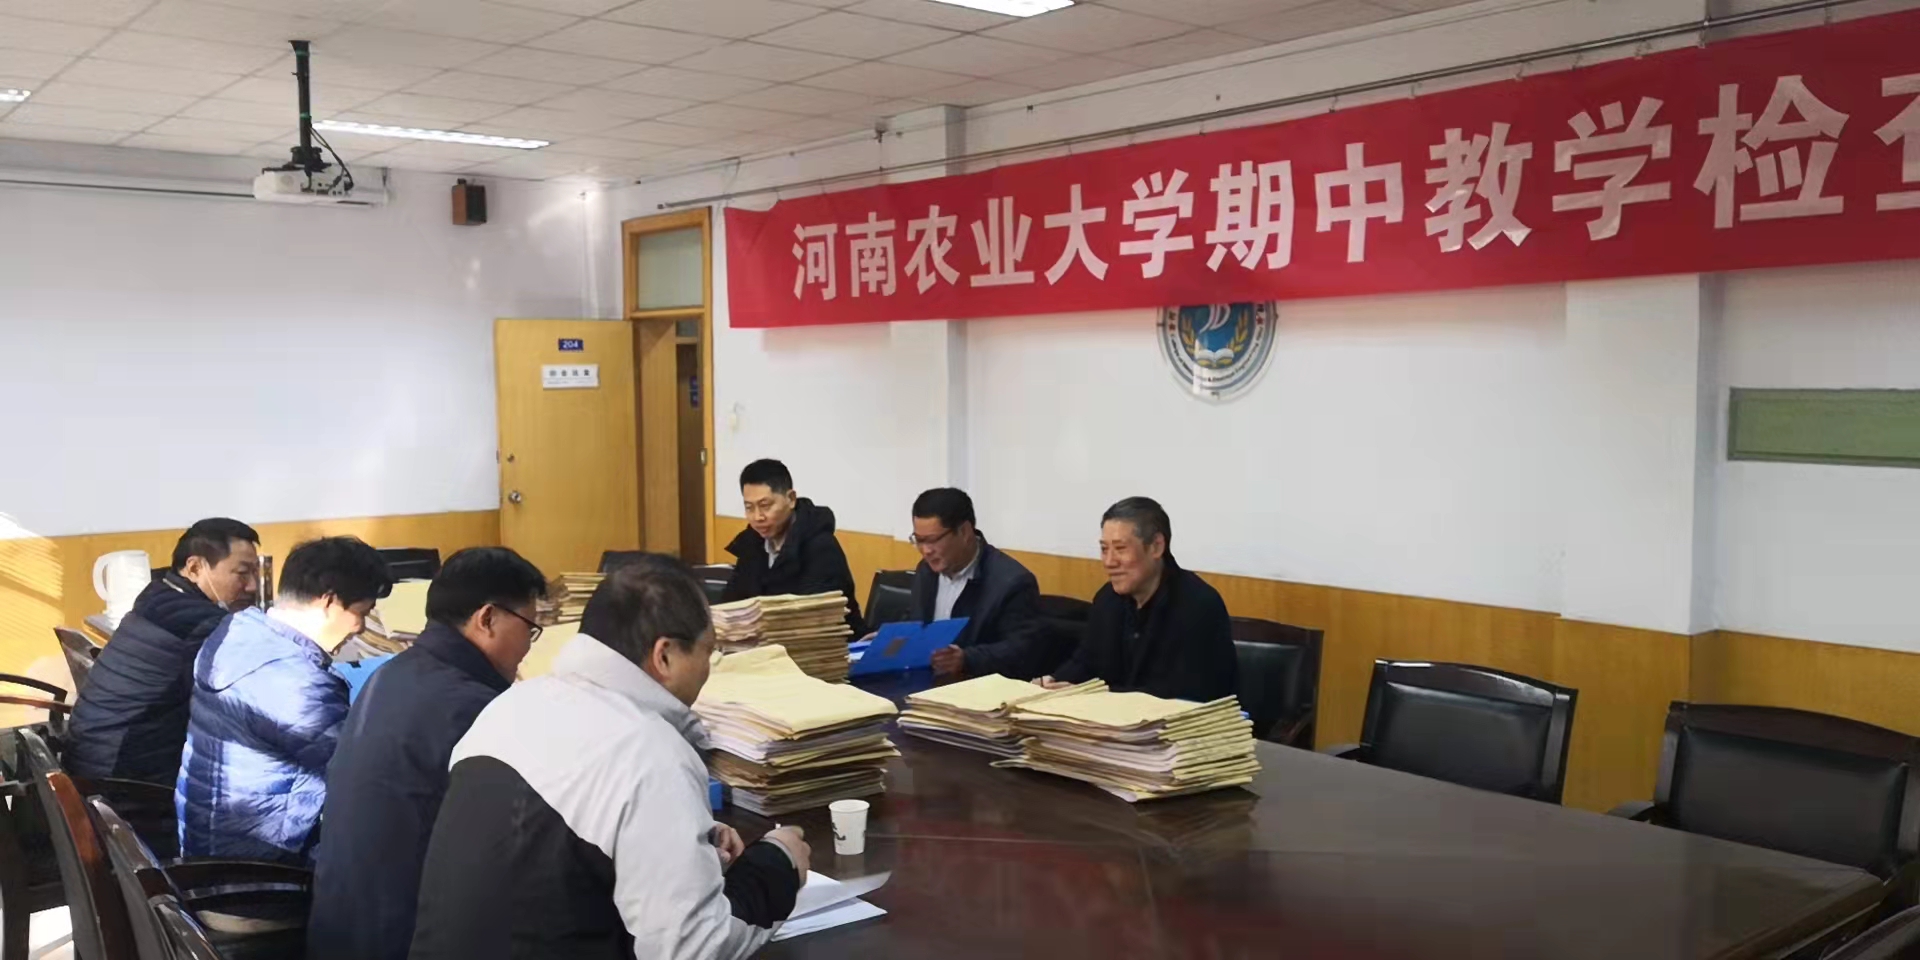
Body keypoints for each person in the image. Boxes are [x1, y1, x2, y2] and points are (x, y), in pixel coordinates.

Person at [410, 555, 810, 960]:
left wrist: (683, 831)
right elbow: (693, 949)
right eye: (708, 651)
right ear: (665, 655)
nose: (709, 668)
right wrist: (777, 865)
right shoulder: (651, 753)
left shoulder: (507, 708)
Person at [306, 547, 548, 960]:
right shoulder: (475, 709)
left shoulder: (392, 673)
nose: (528, 645)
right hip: (403, 940)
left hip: (342, 931)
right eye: (530, 628)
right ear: (487, 619)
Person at [176, 536, 393, 864]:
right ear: (329, 601)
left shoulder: (239, 630)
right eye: (361, 613)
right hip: (257, 870)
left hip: (208, 841)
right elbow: (364, 774)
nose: (360, 628)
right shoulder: (297, 682)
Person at [66, 518, 261, 788]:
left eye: (255, 573)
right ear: (195, 567)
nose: (251, 586)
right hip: (124, 780)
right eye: (242, 573)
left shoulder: (156, 594)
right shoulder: (198, 621)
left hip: (90, 755)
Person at [1038, 497, 1237, 703]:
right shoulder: (1107, 599)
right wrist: (1052, 683)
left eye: (1120, 548)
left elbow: (1179, 694)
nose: (1109, 562)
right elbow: (1085, 662)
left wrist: (1095, 695)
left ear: (1156, 547)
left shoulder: (1198, 604)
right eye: (1104, 549)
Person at [906, 488, 1053, 680]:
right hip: (925, 681)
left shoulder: (1012, 582)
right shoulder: (926, 570)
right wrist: (896, 640)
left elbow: (1022, 652)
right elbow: (919, 623)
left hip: (978, 686)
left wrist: (967, 659)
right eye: (919, 540)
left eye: (933, 540)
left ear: (964, 532)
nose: (926, 551)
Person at [720, 458, 863, 635]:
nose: (757, 517)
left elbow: (809, 619)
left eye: (765, 506)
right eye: (749, 507)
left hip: (826, 646)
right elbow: (731, 604)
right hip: (765, 644)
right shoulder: (752, 543)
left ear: (791, 499)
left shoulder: (821, 547)